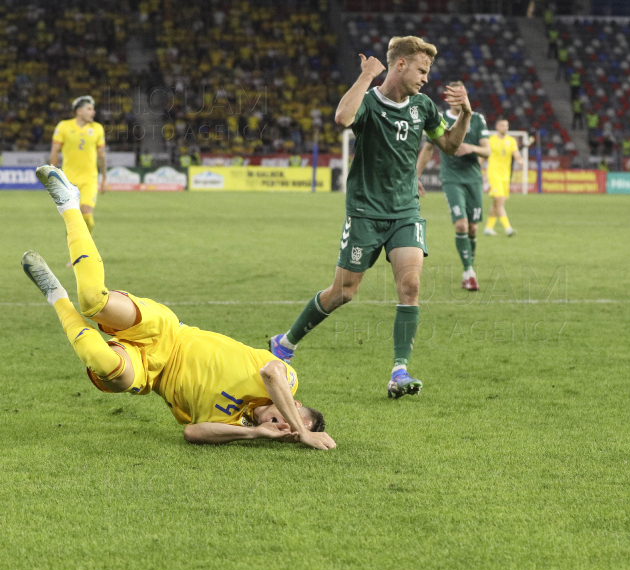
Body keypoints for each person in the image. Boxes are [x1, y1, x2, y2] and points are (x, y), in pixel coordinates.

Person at [23, 165, 336, 450]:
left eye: (289, 433)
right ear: (293, 406)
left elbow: (193, 433)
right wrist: (303, 432)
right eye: (289, 423)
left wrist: (255, 433)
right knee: (93, 301)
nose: (284, 429)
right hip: (166, 331)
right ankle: (69, 204)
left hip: (151, 373)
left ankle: (55, 295)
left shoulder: (237, 425)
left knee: (109, 369)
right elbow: (271, 372)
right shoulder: (286, 380)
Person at [268, 36, 472, 399]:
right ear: (401, 65)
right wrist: (366, 76)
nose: (426, 79)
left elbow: (451, 146)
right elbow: (343, 117)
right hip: (364, 213)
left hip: (405, 212)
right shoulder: (369, 103)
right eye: (422, 70)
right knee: (343, 292)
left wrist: (466, 115)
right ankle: (285, 342)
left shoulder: (423, 106)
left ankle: (399, 371)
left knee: (410, 287)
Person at [416, 80, 491, 291]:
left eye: (462, 93)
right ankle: (469, 272)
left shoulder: (477, 119)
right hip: (451, 178)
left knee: (473, 228)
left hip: (473, 178)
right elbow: (428, 149)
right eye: (454, 94)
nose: (458, 97)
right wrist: (415, 176)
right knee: (461, 225)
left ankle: (469, 269)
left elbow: (487, 151)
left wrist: (471, 147)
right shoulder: (439, 119)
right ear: (448, 98)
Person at [49, 96, 107, 242]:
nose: (93, 112)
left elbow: (101, 156)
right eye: (89, 109)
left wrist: (104, 177)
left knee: (87, 215)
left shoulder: (98, 129)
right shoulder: (64, 126)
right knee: (73, 219)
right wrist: (51, 177)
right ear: (79, 111)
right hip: (68, 181)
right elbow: (54, 152)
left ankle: (86, 247)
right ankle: (75, 250)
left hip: (89, 179)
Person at [484, 118, 524, 237]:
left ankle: (488, 228)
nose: (505, 127)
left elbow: (515, 153)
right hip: (494, 173)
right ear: (497, 127)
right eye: (502, 125)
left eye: (506, 125)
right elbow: (483, 155)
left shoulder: (511, 141)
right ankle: (508, 229)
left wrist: (520, 160)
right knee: (500, 201)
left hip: (506, 175)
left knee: (497, 203)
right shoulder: (490, 140)